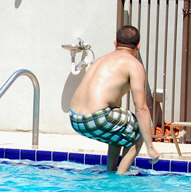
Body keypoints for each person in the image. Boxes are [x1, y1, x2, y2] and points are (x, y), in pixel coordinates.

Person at [68, 24, 162, 175]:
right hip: (96, 118)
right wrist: (150, 146)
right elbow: (141, 108)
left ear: (115, 43)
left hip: (75, 118)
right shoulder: (134, 65)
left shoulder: (101, 60)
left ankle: (110, 171)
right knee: (139, 128)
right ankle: (121, 175)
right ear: (138, 46)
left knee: (119, 128)